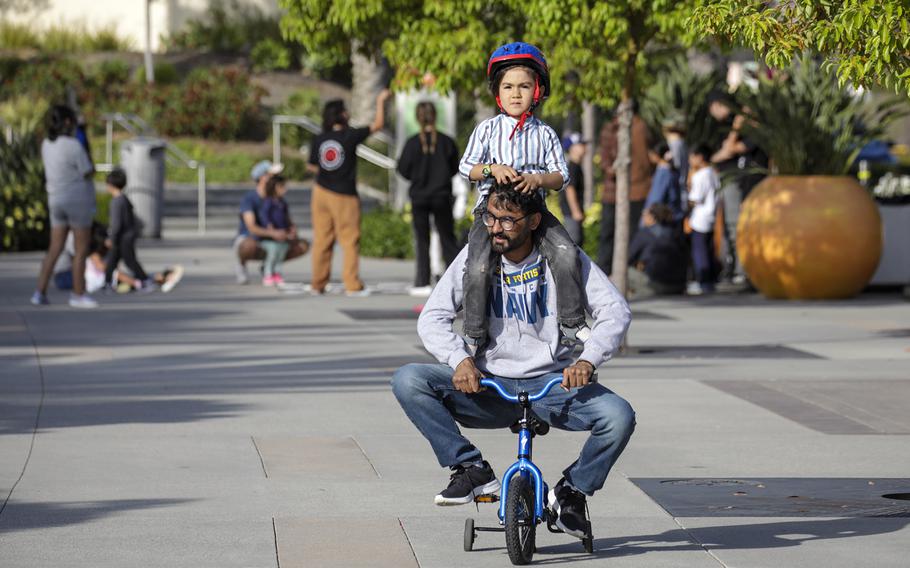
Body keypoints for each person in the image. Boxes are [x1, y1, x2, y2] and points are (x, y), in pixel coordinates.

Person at [392, 183, 634, 540]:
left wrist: (588, 359)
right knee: (408, 379)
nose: (496, 227)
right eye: (490, 217)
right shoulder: (475, 258)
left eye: (508, 220)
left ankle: (571, 493)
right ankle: (470, 468)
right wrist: (460, 360)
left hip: (553, 386)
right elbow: (432, 317)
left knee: (619, 416)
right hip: (490, 385)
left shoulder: (564, 259)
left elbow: (615, 310)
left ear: (534, 220)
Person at [458, 42, 588, 349]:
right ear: (497, 93)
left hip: (532, 212)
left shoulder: (544, 133)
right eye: (508, 87)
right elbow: (467, 167)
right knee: (477, 266)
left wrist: (538, 178)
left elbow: (561, 175)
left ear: (538, 91)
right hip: (491, 214)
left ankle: (572, 324)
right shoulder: (487, 129)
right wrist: (491, 169)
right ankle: (474, 333)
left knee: (567, 253)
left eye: (524, 86)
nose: (516, 94)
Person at [307, 90, 391, 297]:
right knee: (349, 240)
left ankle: (318, 283)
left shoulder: (319, 138)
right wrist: (381, 101)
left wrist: (328, 172)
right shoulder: (350, 135)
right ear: (341, 115)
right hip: (344, 194)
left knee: (321, 239)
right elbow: (378, 124)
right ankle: (351, 283)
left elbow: (311, 166)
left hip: (320, 192)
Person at [31, 105, 98, 309]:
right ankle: (78, 294)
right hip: (76, 200)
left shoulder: (46, 145)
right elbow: (88, 170)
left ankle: (39, 292)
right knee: (81, 249)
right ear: (67, 122)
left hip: (56, 199)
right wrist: (84, 136)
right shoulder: (73, 145)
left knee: (55, 248)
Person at [397, 101, 460, 297]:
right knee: (447, 238)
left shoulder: (412, 143)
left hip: (419, 197)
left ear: (418, 118)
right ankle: (454, 280)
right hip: (441, 195)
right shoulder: (446, 142)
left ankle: (422, 280)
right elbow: (454, 168)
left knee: (422, 239)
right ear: (435, 116)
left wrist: (418, 178)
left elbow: (402, 169)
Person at [707, 91, 767, 284]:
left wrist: (737, 126)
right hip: (731, 181)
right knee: (728, 227)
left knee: (737, 226)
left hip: (745, 182)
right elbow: (718, 155)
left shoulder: (751, 131)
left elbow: (731, 149)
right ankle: (734, 267)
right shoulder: (720, 127)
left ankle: (743, 270)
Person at [597, 101, 654, 275]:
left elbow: (646, 157)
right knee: (609, 232)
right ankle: (606, 271)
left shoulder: (640, 127)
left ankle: (625, 271)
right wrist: (612, 170)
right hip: (615, 189)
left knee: (630, 233)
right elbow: (604, 159)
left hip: (636, 189)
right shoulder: (612, 128)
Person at [234, 161, 308, 285]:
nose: (276, 179)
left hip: (273, 238)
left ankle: (269, 267)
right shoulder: (250, 199)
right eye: (272, 175)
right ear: (262, 178)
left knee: (301, 245)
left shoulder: (278, 199)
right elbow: (251, 227)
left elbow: (288, 220)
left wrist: (291, 231)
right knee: (249, 246)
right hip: (251, 237)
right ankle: (241, 264)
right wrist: (273, 233)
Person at [102, 168, 152, 291]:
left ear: (111, 185)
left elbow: (116, 223)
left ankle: (144, 280)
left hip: (122, 238)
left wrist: (111, 238)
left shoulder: (116, 202)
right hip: (127, 236)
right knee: (113, 261)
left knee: (128, 261)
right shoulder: (124, 199)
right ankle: (108, 282)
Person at [627, 203, 688, 297]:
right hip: (679, 285)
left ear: (652, 217)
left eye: (645, 214)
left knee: (624, 272)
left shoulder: (644, 233)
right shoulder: (676, 233)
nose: (642, 217)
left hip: (656, 286)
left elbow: (629, 258)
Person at [687, 144, 720, 295]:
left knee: (700, 252)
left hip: (700, 218)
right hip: (711, 216)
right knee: (708, 249)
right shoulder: (713, 172)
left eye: (692, 157)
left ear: (699, 157)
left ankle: (703, 281)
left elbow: (695, 198)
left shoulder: (700, 175)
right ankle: (710, 281)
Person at [258, 175, 295, 286]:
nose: (285, 189)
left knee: (281, 254)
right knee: (273, 253)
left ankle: (277, 273)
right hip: (270, 238)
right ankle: (268, 273)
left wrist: (290, 228)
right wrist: (270, 228)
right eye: (282, 187)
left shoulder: (282, 203)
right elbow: (264, 216)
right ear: (274, 187)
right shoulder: (268, 202)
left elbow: (286, 217)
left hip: (282, 235)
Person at [642, 142, 685, 223]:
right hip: (674, 215)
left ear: (656, 155)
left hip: (664, 219)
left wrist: (647, 214)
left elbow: (656, 198)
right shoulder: (671, 170)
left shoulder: (663, 173)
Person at [559, 132, 588, 246]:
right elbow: (570, 189)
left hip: (572, 213)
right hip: (571, 213)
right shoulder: (573, 167)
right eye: (581, 144)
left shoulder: (575, 166)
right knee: (574, 243)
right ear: (573, 149)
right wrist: (576, 211)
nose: (584, 147)